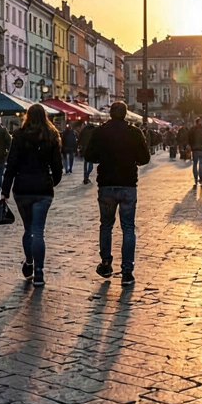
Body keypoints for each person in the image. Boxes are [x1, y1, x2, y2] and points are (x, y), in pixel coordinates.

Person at [83, 102, 150, 285]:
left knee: (106, 225)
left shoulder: (100, 132)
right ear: (125, 114)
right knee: (128, 227)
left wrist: (101, 157)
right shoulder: (134, 132)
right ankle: (127, 272)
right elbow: (145, 158)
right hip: (128, 184)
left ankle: (106, 263)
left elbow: (88, 155)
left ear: (111, 114)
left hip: (106, 185)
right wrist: (133, 159)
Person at [0, 104, 62, 287]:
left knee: (28, 230)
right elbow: (57, 167)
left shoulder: (19, 136)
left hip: (23, 188)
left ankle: (29, 262)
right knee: (38, 232)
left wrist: (4, 191)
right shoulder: (51, 136)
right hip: (43, 188)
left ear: (27, 116)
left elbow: (11, 164)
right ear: (45, 117)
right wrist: (52, 182)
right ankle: (39, 272)